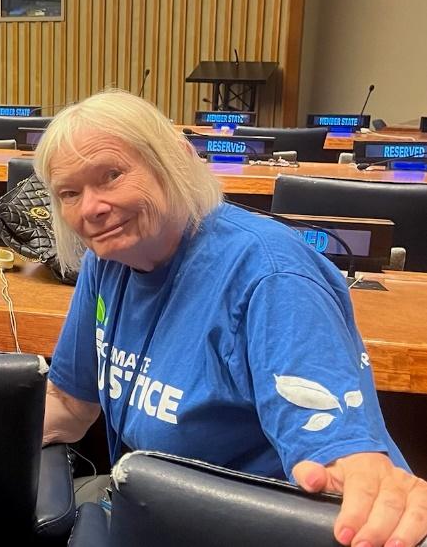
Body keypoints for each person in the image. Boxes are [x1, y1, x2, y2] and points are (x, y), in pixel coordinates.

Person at [37, 90, 426, 547]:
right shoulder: (109, 260)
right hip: (148, 510)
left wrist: (370, 480)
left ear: (177, 160)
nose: (90, 208)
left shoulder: (272, 278)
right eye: (70, 193)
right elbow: (69, 406)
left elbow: (338, 455)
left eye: (112, 175)